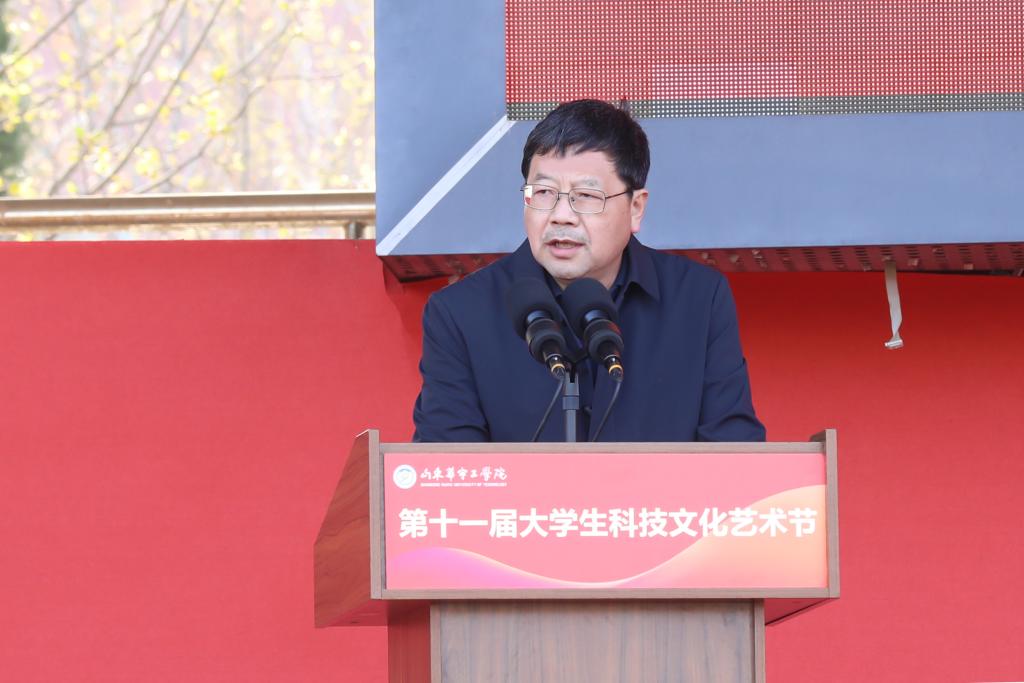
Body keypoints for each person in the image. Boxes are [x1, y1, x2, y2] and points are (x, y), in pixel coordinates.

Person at [412, 99, 765, 443]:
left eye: (585, 196)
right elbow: (446, 468)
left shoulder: (698, 301)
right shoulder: (460, 314)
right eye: (544, 192)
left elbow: (736, 454)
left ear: (636, 208)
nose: (561, 216)